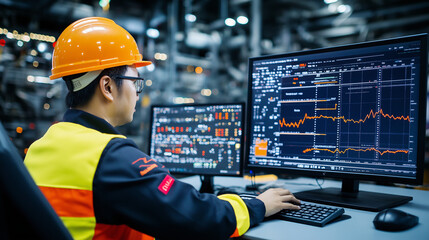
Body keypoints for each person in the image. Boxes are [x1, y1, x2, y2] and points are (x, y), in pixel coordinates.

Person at [24, 17, 301, 240]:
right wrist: (258, 205)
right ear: (108, 87)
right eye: (135, 82)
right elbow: (198, 219)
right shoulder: (111, 157)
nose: (136, 92)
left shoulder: (40, 147)